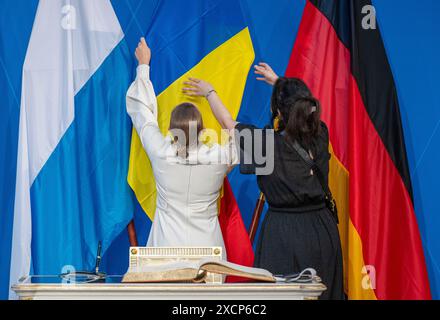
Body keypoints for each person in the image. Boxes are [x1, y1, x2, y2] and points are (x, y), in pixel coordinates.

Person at [183, 63, 344, 300]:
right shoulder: (321, 133)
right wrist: (280, 83)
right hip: (322, 230)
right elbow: (300, 106)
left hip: (283, 235)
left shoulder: (266, 145)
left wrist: (210, 92)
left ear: (278, 112)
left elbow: (228, 123)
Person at [126, 38, 238, 257]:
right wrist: (210, 92)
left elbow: (142, 114)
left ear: (171, 128)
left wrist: (143, 66)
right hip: (209, 253)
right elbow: (233, 129)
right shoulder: (219, 156)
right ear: (203, 129)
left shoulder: (160, 152)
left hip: (165, 250)